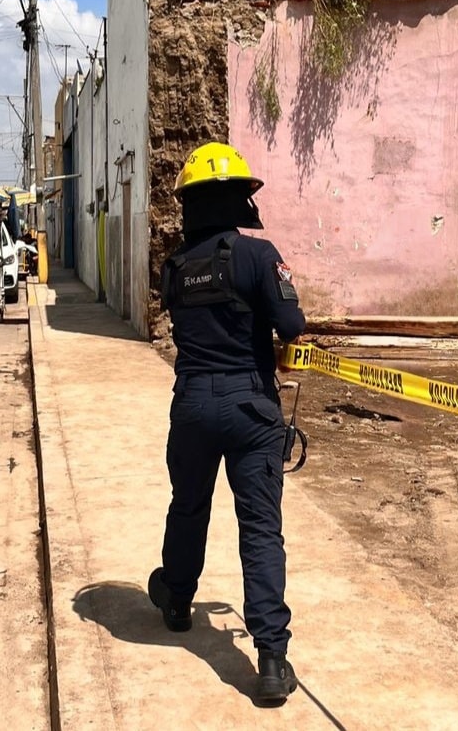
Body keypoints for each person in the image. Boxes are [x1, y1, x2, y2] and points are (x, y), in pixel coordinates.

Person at [149, 141, 306, 705]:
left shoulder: (174, 266)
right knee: (260, 529)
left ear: (190, 203)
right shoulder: (260, 257)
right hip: (250, 408)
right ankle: (269, 658)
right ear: (241, 198)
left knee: (188, 506)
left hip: (192, 404)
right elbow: (292, 326)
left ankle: (175, 600)